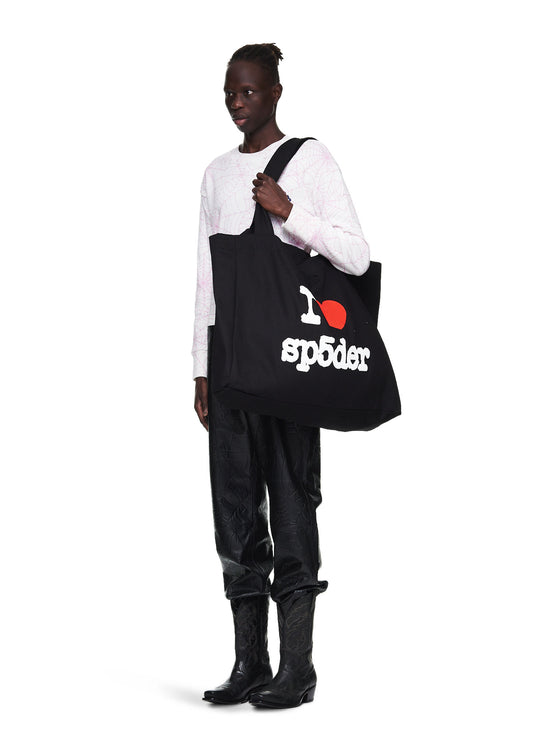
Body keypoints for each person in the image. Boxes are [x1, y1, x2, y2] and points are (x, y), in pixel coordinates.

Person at [192, 43, 370, 708]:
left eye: (249, 92)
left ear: (274, 92)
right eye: (229, 93)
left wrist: (290, 211)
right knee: (234, 511)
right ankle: (250, 663)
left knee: (293, 506)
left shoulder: (310, 160)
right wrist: (200, 368)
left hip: (290, 365)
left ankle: (298, 669)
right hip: (230, 366)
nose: (238, 104)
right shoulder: (215, 174)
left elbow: (356, 257)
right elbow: (206, 277)